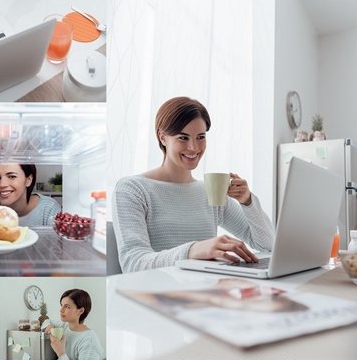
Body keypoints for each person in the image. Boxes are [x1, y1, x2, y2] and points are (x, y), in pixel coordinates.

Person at [112, 97, 274, 274]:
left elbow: (267, 245)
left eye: (200, 137)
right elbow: (133, 263)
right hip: (159, 296)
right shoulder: (132, 189)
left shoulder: (210, 191)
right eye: (183, 137)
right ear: (162, 137)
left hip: (205, 292)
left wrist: (247, 202)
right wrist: (192, 251)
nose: (193, 147)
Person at [45, 289, 105, 360]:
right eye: (61, 305)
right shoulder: (64, 325)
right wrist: (49, 326)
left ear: (81, 311)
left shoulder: (89, 341)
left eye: (67, 307)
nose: (61, 310)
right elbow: (47, 321)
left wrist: (61, 353)